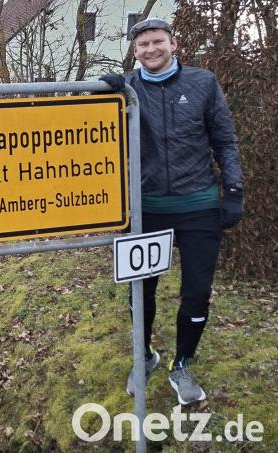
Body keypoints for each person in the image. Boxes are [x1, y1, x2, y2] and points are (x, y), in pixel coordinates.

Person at [100, 18, 244, 405]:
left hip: (198, 205)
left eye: (157, 41)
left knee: (196, 293)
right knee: (140, 292)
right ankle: (143, 356)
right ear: (135, 51)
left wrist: (233, 190)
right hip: (145, 209)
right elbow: (97, 140)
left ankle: (182, 364)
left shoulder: (203, 83)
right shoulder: (125, 89)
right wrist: (106, 97)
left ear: (173, 43)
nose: (151, 49)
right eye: (143, 44)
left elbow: (225, 140)